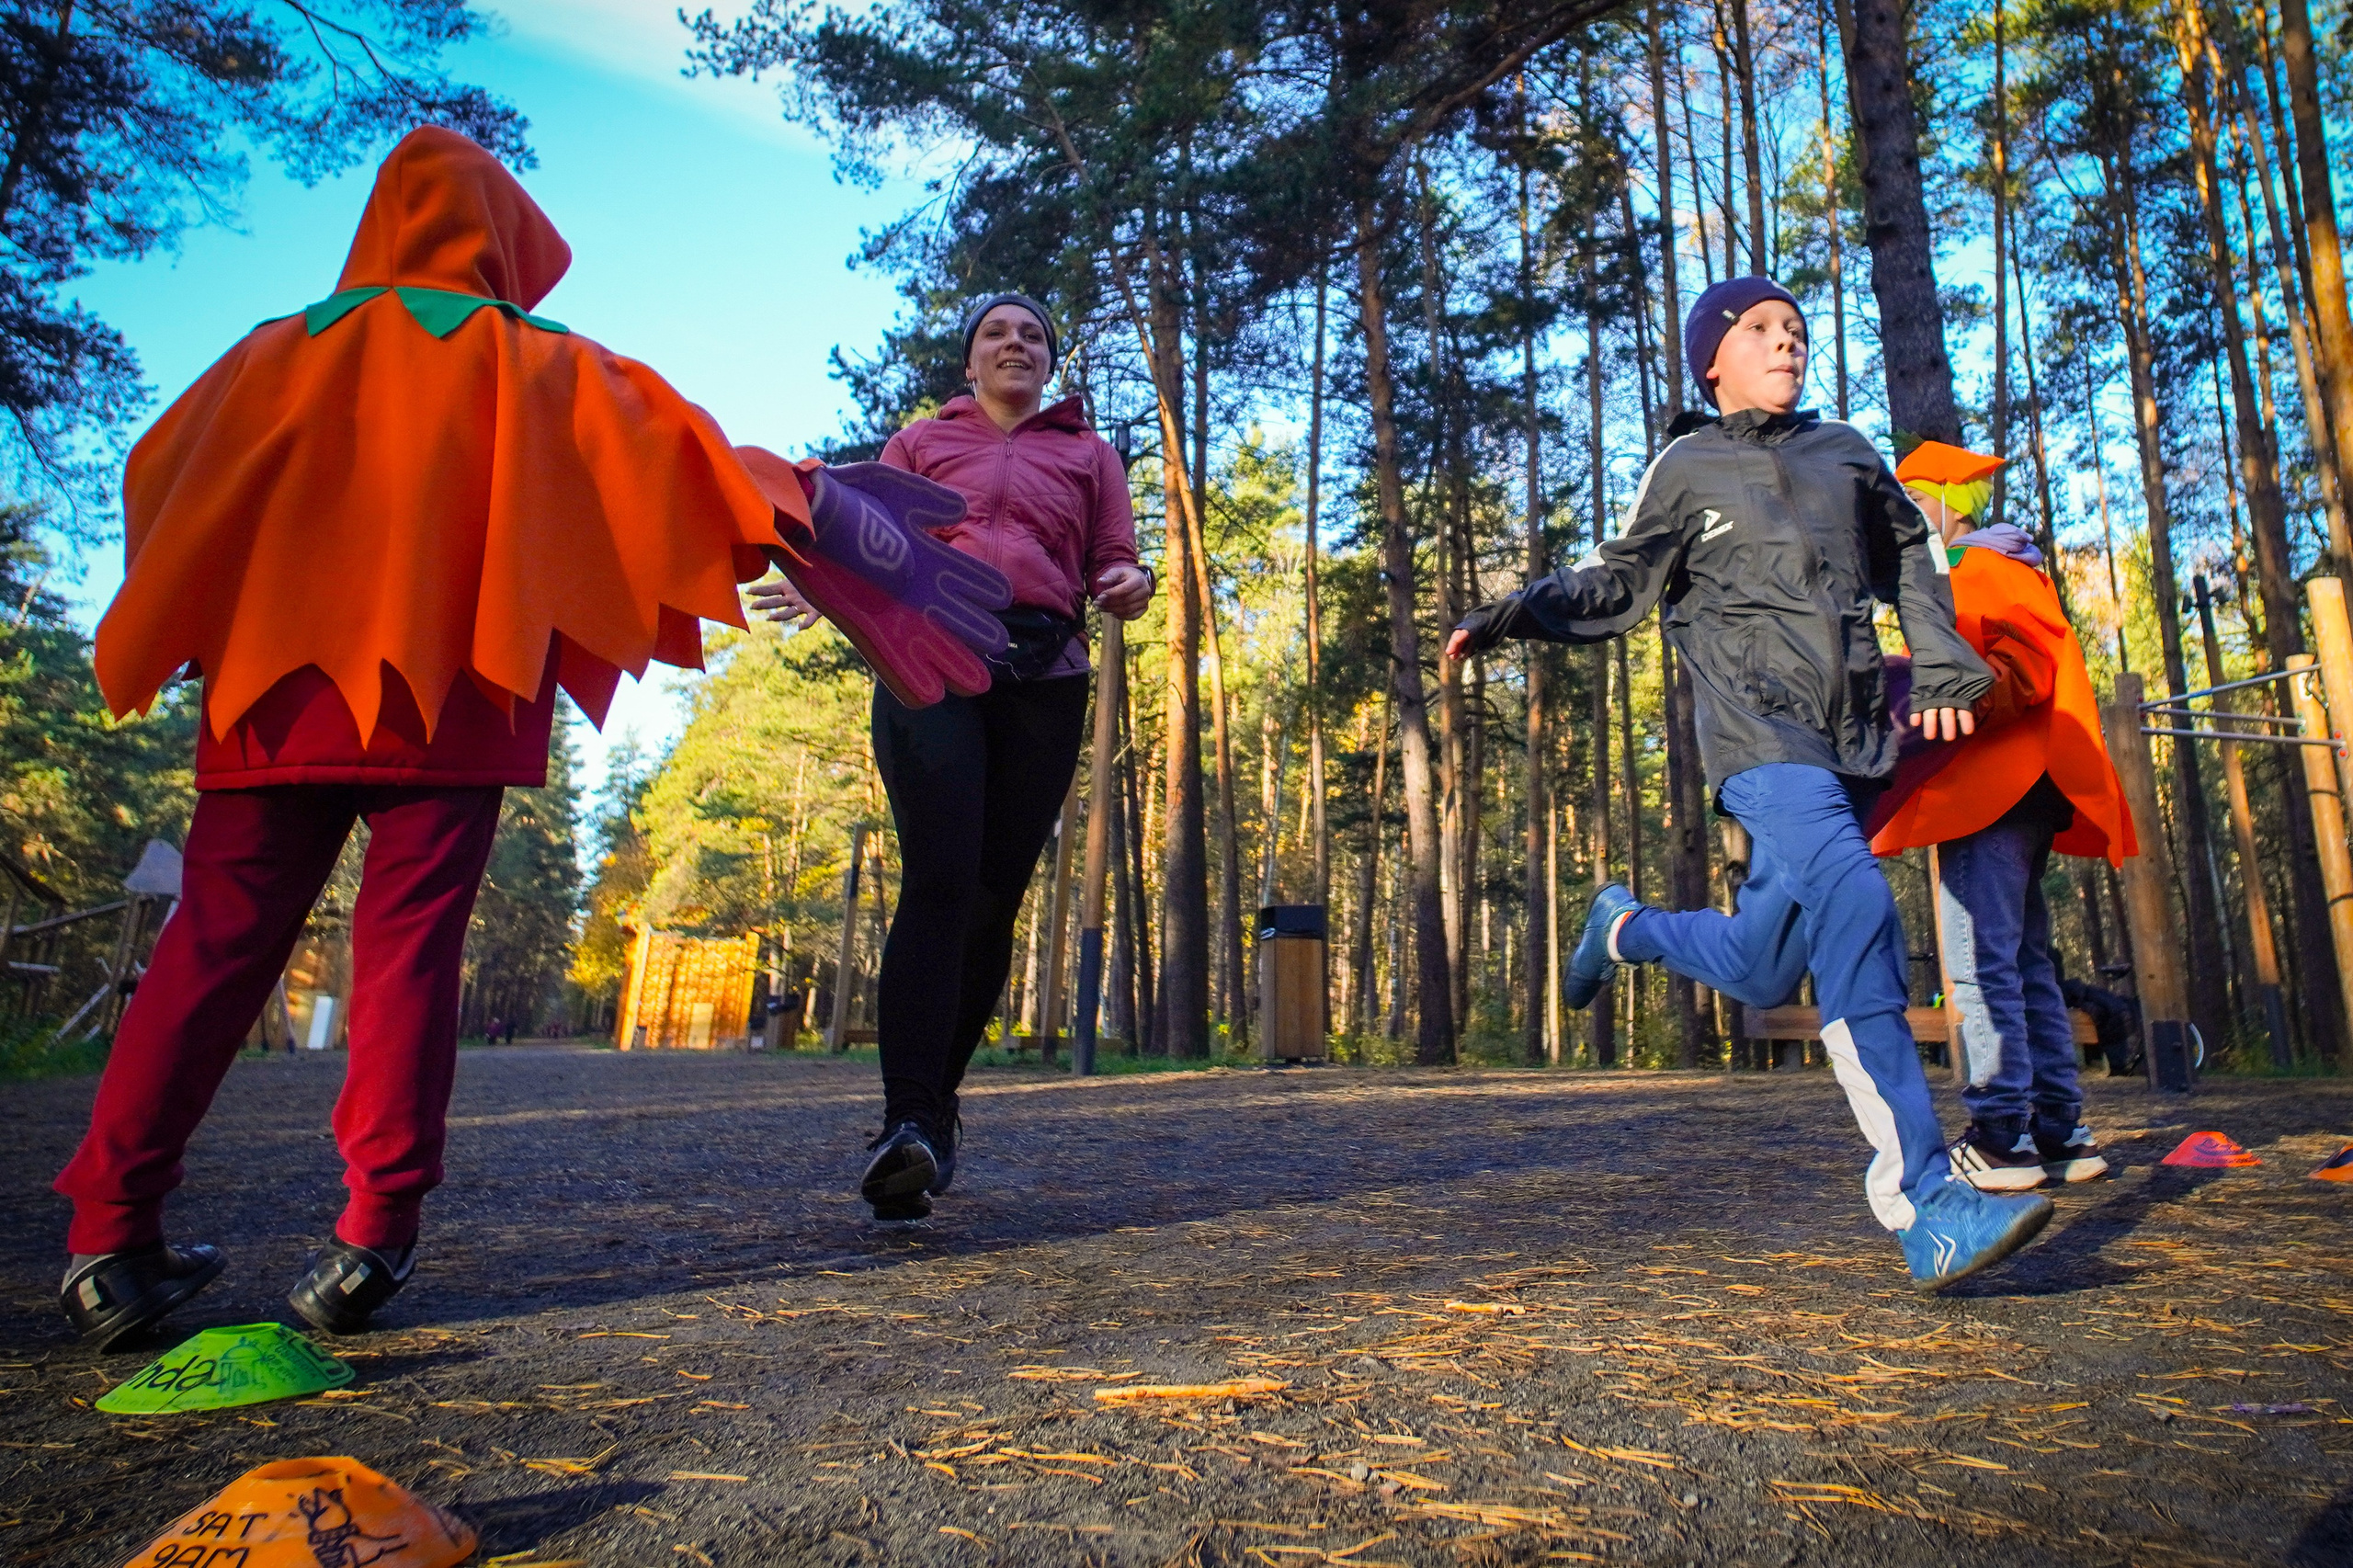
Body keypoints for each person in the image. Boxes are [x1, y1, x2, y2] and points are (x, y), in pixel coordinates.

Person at [54, 128, 996, 1350]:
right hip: (454, 687)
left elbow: (159, 476)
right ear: (495, 236)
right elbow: (685, 463)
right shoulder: (532, 361)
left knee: (208, 948)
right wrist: (812, 503)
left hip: (271, 686)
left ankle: (106, 1242)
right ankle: (369, 1233)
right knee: (403, 950)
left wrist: (218, 605)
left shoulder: (266, 356)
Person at [1449, 276, 2054, 1293]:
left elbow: (1912, 555)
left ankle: (1626, 927)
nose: (1787, 344)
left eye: (1797, 331)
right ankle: (1922, 1198)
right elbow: (1617, 577)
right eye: (1762, 331)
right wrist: (1518, 609)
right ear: (1712, 359)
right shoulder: (1688, 464)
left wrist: (1943, 660)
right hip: (1754, 734)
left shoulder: (1848, 454)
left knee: (1763, 966)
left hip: (1853, 736)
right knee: (1858, 898)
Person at [750, 293, 1153, 1221]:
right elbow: (865, 534)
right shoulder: (920, 440)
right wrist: (826, 591)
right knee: (939, 876)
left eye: (1033, 336)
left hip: (1045, 672)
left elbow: (1113, 562)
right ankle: (906, 1121)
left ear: (1050, 362)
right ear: (968, 361)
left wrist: (1132, 584)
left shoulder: (1089, 454)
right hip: (934, 656)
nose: (1015, 344)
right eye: (995, 334)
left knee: (990, 894)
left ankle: (933, 1119)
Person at [1866, 441, 2134, 1190]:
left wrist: (1910, 692)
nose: (1907, 522)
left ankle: (1999, 1138)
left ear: (1951, 506)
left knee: (1981, 962)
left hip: (1994, 789)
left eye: (1916, 506)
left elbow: (2007, 676)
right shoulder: (2014, 567)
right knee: (2024, 963)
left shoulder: (1976, 570)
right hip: (2029, 787)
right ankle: (2060, 1133)